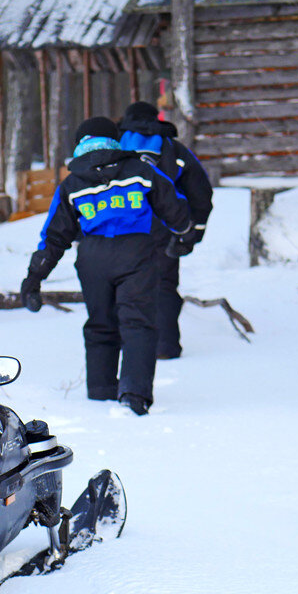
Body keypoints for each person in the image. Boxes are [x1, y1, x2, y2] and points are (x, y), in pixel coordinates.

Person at [20, 116, 193, 415]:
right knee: (137, 322)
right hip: (136, 252)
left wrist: (34, 277)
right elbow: (174, 206)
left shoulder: (72, 183)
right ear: (115, 140)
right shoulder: (141, 170)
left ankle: (100, 392)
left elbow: (54, 235)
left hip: (92, 257)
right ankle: (134, 395)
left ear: (81, 144)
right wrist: (182, 232)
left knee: (100, 324)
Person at [117, 101, 213, 360]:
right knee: (164, 287)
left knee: (124, 287)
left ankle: (127, 349)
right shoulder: (174, 149)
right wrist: (194, 231)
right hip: (166, 228)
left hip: (119, 230)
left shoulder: (113, 146)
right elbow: (201, 191)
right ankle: (165, 348)